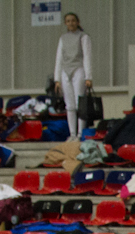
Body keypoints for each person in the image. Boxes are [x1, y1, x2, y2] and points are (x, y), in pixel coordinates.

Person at [53, 12, 94, 140]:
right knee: (69, 105)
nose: (71, 23)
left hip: (78, 70)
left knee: (79, 103)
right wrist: (57, 79)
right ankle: (72, 134)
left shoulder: (83, 37)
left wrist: (88, 77)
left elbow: (87, 57)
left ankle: (81, 133)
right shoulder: (63, 38)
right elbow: (59, 59)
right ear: (65, 23)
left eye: (73, 20)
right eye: (68, 21)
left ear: (77, 22)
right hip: (65, 72)